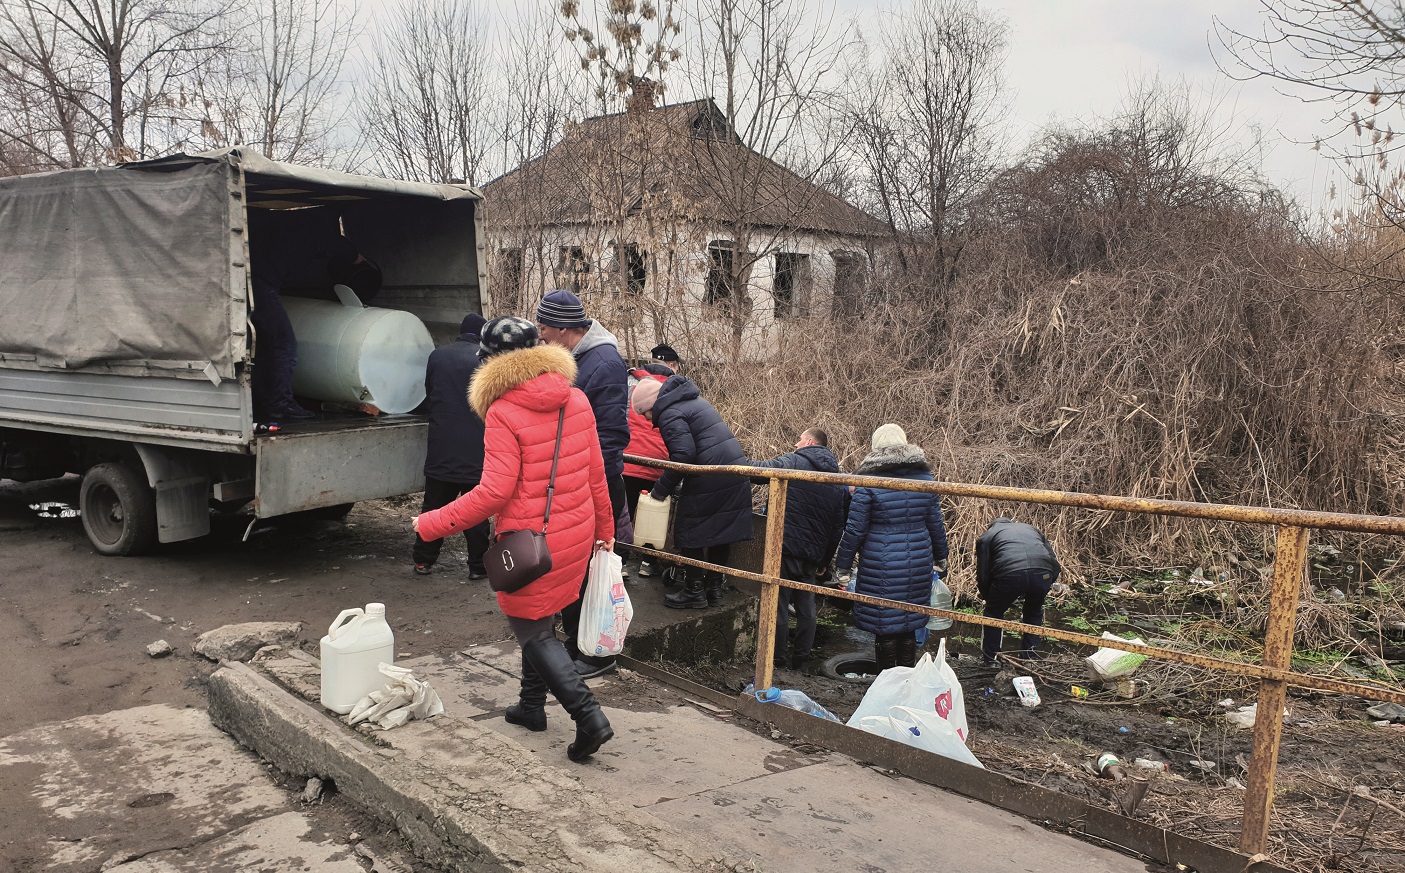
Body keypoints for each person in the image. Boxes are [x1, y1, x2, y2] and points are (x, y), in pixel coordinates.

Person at [412, 316, 615, 763]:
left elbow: (493, 493)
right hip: (576, 533)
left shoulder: (503, 410)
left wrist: (430, 523)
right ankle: (530, 707)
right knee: (543, 618)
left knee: (532, 629)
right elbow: (597, 474)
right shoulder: (577, 398)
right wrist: (605, 533)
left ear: (489, 362)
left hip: (532, 542)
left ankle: (590, 719)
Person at [536, 289, 631, 678]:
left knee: (589, 568)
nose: (539, 334)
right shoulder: (575, 357)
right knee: (576, 564)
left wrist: (583, 483)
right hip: (577, 482)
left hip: (594, 484)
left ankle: (595, 654)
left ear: (563, 328)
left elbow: (611, 436)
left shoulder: (603, 363)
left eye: (544, 326)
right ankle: (579, 643)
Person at [631, 375, 753, 609]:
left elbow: (683, 457)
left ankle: (693, 591)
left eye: (644, 413)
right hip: (732, 471)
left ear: (651, 405)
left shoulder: (669, 413)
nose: (647, 420)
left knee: (690, 530)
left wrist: (660, 490)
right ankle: (714, 590)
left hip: (710, 476)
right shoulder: (693, 401)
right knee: (722, 533)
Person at [834, 424, 949, 671]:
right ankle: (906, 678)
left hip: (881, 562)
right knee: (909, 621)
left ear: (876, 447)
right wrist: (941, 558)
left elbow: (855, 530)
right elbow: (936, 524)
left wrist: (842, 566)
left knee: (884, 624)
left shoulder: (869, 480)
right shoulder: (925, 478)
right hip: (918, 560)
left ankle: (885, 681)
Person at [248, 213, 382, 422]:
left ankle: (263, 401)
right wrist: (357, 258)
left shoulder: (288, 227)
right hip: (261, 285)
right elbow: (336, 243)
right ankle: (280, 406)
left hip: (251, 282)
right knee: (284, 346)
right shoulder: (311, 228)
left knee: (265, 346)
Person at [745, 427, 848, 672]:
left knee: (778, 603)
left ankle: (777, 659)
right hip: (812, 556)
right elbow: (837, 527)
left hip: (784, 546)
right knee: (806, 606)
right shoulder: (837, 479)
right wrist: (825, 561)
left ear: (810, 442)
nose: (796, 444)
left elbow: (755, 471)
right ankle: (801, 660)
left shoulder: (794, 461)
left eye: (799, 440)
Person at [412, 313, 490, 579]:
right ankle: (478, 567)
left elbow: (430, 392)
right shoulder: (486, 360)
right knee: (476, 512)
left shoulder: (438, 356)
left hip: (441, 447)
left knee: (433, 506)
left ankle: (423, 561)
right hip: (476, 450)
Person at [975, 518, 1062, 665]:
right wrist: (1047, 583)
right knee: (1034, 612)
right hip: (1043, 573)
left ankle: (991, 660)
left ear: (991, 526)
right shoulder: (1031, 528)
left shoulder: (987, 536)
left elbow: (983, 574)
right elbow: (1054, 563)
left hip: (1009, 574)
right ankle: (1029, 659)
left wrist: (988, 596)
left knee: (993, 614)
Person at [623, 362, 675, 578]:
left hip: (628, 461)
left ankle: (620, 562)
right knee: (654, 515)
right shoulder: (672, 392)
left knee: (623, 513)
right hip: (659, 466)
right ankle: (647, 561)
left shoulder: (630, 388)